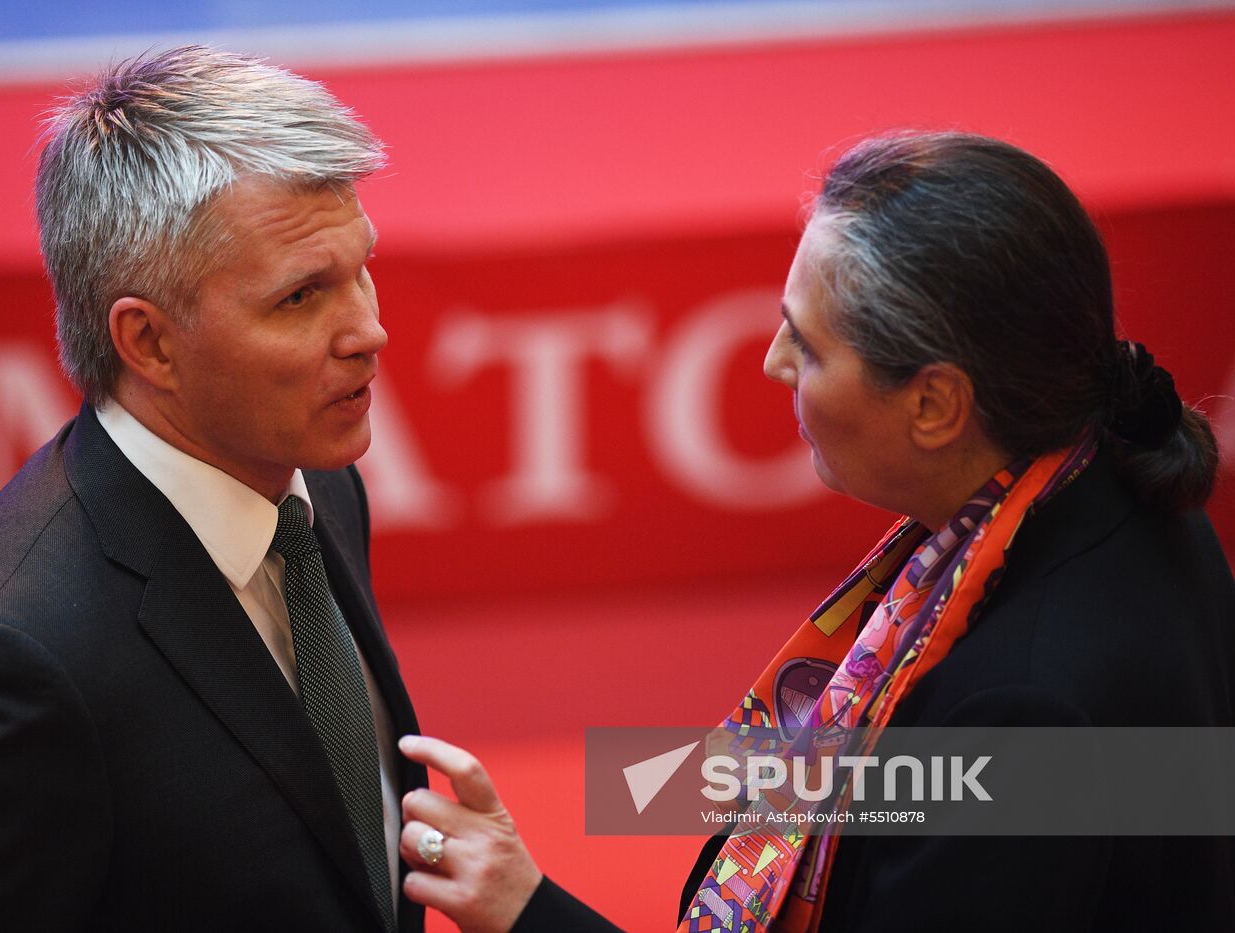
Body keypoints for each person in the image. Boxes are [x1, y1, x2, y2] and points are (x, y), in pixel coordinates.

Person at [393, 131, 1235, 932]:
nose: (772, 362)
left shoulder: (1019, 715)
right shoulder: (1126, 484)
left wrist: (527, 908)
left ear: (935, 404)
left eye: (808, 345)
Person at [0, 46, 425, 932]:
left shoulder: (313, 491)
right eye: (301, 297)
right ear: (148, 343)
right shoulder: (5, 668)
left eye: (359, 267)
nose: (370, 330)